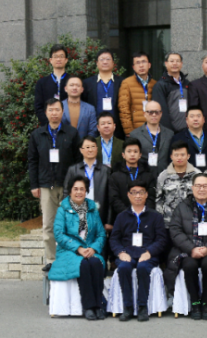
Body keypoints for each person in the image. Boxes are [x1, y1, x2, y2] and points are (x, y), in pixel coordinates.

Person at [165, 174, 207, 320]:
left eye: (205, 186)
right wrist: (191, 249)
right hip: (187, 251)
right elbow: (175, 231)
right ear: (192, 188)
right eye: (198, 186)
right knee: (189, 265)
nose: (201, 189)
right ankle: (195, 303)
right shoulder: (182, 206)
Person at [29, 98, 81, 270]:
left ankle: (70, 257)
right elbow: (33, 161)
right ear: (46, 113)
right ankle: (52, 259)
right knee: (48, 225)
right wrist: (34, 185)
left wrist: (76, 185)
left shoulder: (72, 133)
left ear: (62, 112)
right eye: (50, 110)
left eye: (57, 109)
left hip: (68, 187)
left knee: (70, 224)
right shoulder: (37, 135)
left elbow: (78, 161)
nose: (54, 113)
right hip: (46, 186)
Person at [48, 176, 106, 320]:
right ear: (70, 191)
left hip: (89, 250)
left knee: (96, 263)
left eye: (82, 189)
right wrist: (78, 248)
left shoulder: (93, 210)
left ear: (86, 191)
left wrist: (93, 249)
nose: (79, 192)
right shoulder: (62, 210)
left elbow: (101, 234)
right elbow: (59, 234)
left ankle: (99, 305)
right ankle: (88, 307)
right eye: (75, 189)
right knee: (83, 265)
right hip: (69, 251)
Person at [109, 181, 168, 322]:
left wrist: (149, 252)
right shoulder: (121, 216)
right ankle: (128, 307)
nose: (138, 196)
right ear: (128, 195)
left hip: (148, 254)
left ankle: (142, 307)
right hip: (127, 253)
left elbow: (161, 239)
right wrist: (121, 252)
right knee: (123, 268)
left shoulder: (156, 216)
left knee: (143, 268)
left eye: (141, 192)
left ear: (146, 195)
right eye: (134, 193)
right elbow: (114, 239)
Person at [62, 136, 112, 228]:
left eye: (93, 147)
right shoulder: (73, 170)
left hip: (99, 212)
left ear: (97, 149)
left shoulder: (106, 171)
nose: (90, 150)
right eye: (87, 147)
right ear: (81, 150)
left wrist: (109, 221)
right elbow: (66, 192)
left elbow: (111, 197)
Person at [109, 138, 158, 220]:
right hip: (123, 218)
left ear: (140, 155)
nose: (132, 154)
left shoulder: (148, 175)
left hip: (144, 218)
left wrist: (143, 214)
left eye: (135, 151)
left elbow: (151, 198)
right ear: (123, 155)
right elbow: (114, 199)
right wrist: (128, 214)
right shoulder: (115, 176)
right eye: (129, 151)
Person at [84, 49, 125, 138]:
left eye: (108, 59)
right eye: (102, 59)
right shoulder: (87, 83)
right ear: (97, 63)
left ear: (113, 63)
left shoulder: (122, 82)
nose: (105, 62)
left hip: (117, 129)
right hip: (94, 128)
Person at [155, 141, 200, 222]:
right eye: (176, 155)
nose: (179, 158)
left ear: (188, 156)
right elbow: (158, 199)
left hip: (192, 220)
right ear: (171, 156)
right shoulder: (163, 176)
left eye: (182, 155)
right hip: (169, 221)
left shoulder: (197, 175)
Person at [129, 100, 174, 175]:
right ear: (144, 114)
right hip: (144, 175)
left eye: (157, 112)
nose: (154, 115)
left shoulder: (170, 134)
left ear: (161, 114)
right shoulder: (135, 135)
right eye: (150, 112)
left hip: (166, 175)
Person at [151, 52, 191, 133]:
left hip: (188, 130)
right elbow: (160, 111)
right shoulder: (160, 85)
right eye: (172, 61)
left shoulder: (187, 83)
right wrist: (168, 132)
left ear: (181, 64)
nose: (175, 63)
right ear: (166, 63)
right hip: (171, 132)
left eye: (177, 61)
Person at [119, 52, 157, 132]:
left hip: (153, 128)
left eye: (144, 62)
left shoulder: (155, 84)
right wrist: (129, 131)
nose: (141, 65)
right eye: (138, 63)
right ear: (133, 67)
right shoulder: (127, 83)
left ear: (149, 65)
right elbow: (124, 109)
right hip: (136, 130)